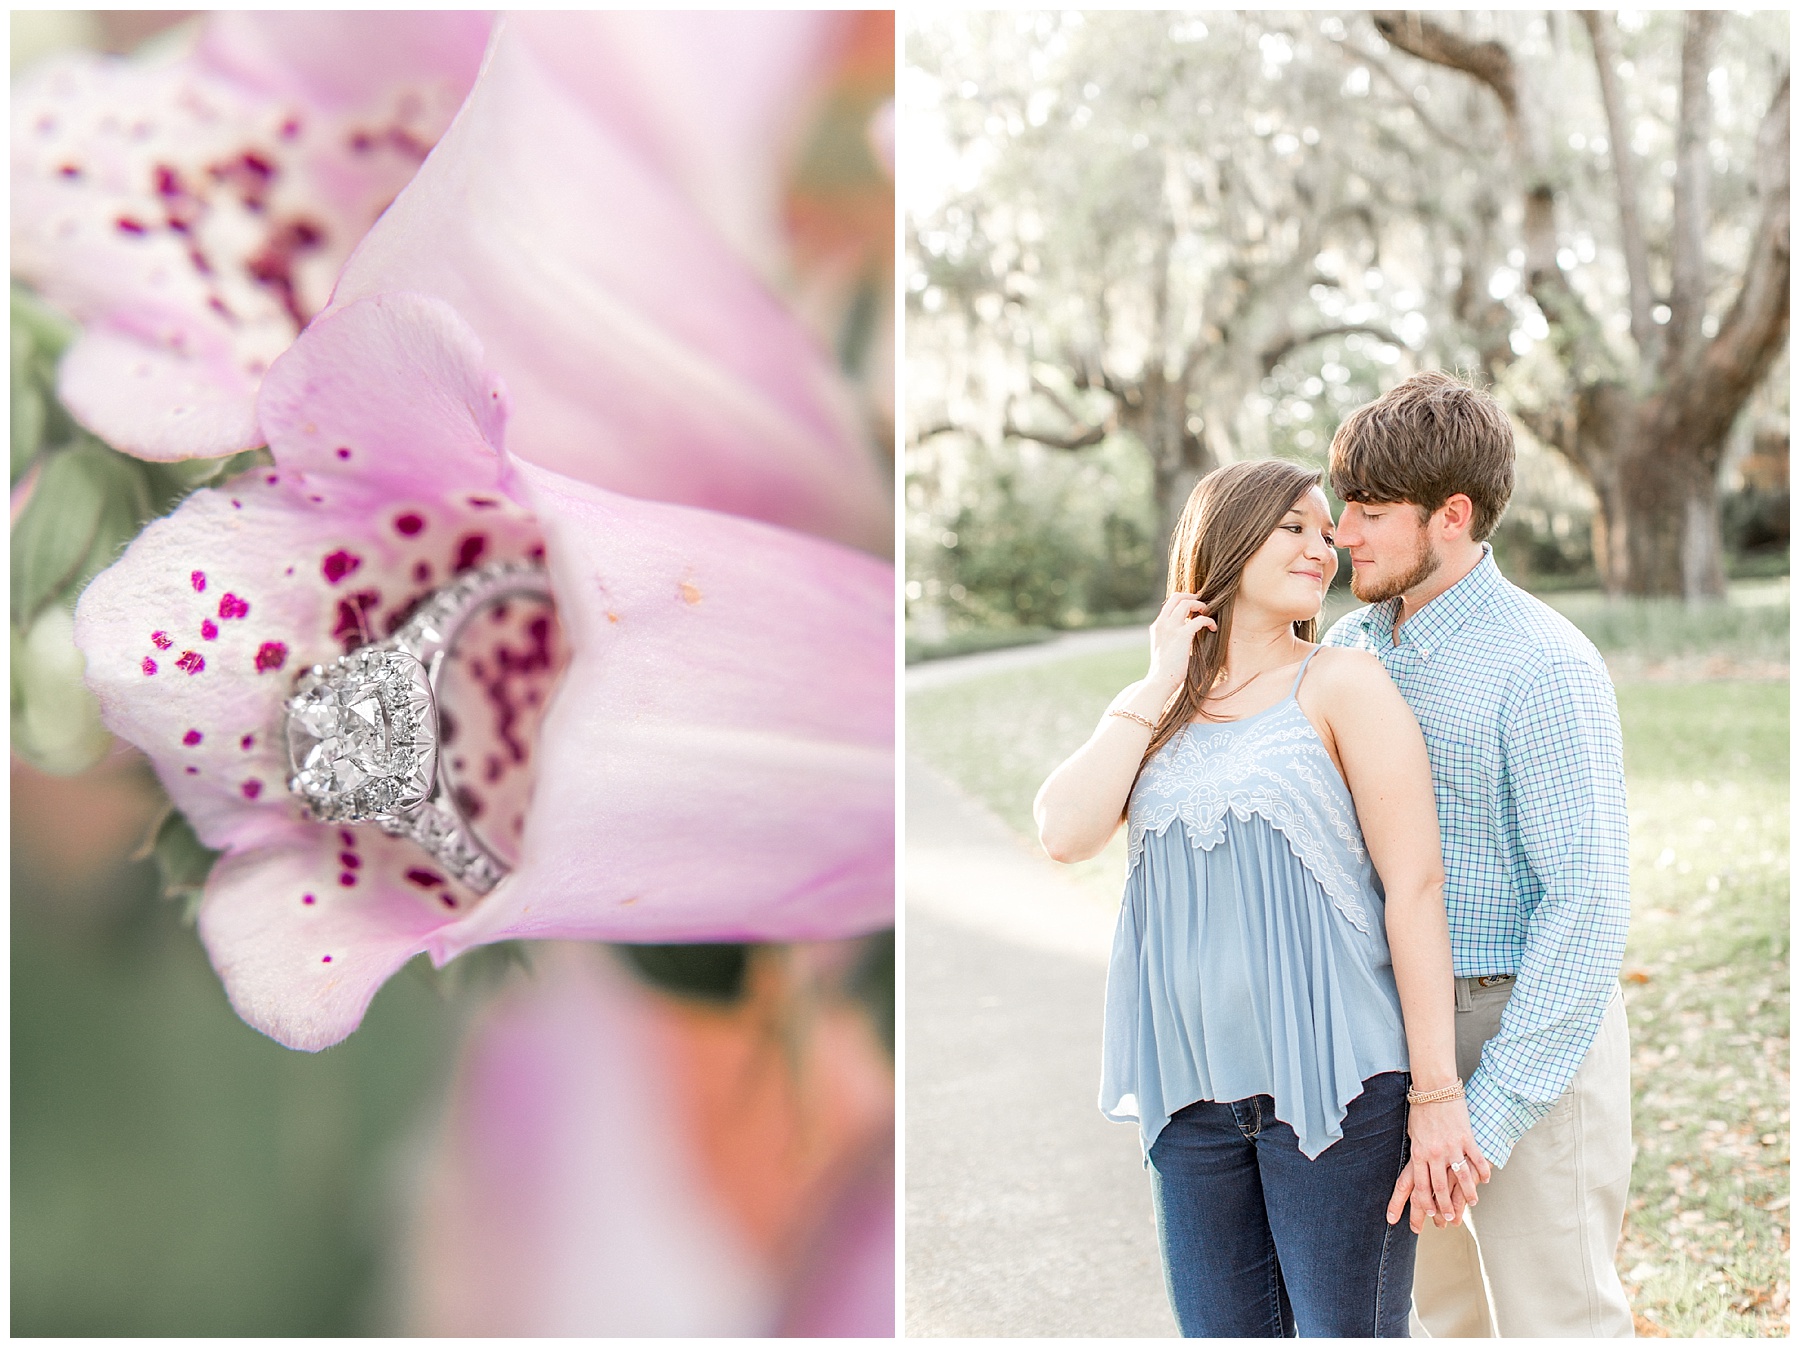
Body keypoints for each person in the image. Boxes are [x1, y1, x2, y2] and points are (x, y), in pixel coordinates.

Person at [1035, 458, 1488, 1338]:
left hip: (1339, 1085)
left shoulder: (1342, 682)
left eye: (1327, 532)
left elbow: (1415, 887)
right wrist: (1161, 678)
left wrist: (1436, 1095)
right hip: (1190, 1094)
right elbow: (1063, 831)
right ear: (1228, 538)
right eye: (1295, 527)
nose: (1324, 547)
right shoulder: (1157, 709)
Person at [1321, 370, 1633, 1338]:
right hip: (1391, 1033)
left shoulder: (1545, 665)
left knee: (1559, 1320)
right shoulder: (1347, 647)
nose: (1342, 532)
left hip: (1521, 1026)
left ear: (1451, 516)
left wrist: (1482, 1116)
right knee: (1438, 1320)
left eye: (1371, 512)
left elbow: (1586, 907)